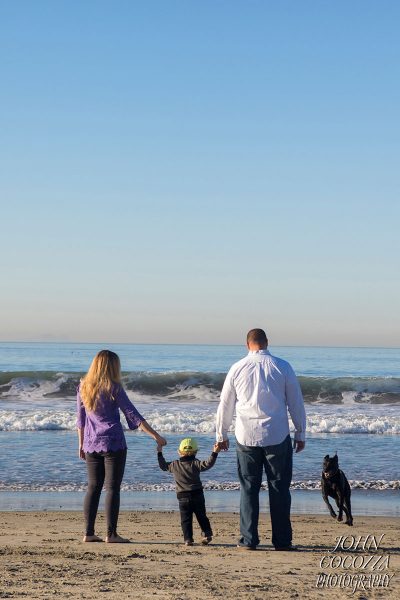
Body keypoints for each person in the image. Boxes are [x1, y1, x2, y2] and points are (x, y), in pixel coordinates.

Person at [215, 328, 306, 551]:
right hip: (277, 435)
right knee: (279, 488)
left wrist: (221, 434)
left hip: (246, 436)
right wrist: (300, 432)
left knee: (248, 488)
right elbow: (296, 402)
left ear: (248, 345)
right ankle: (282, 541)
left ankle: (248, 540)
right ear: (267, 343)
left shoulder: (237, 368)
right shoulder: (282, 366)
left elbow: (225, 404)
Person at [76, 349, 167, 543]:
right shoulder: (113, 387)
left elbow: (80, 420)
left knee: (93, 487)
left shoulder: (83, 386)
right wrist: (156, 436)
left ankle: (88, 533)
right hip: (113, 442)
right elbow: (132, 414)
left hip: (91, 443)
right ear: (112, 366)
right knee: (112, 489)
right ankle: (111, 534)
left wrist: (81, 444)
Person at [157, 437, 220, 545]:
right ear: (195, 452)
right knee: (201, 516)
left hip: (182, 496)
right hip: (197, 494)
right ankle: (207, 534)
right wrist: (214, 453)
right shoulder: (196, 463)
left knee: (185, 519)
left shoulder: (174, 464)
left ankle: (188, 539)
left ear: (179, 452)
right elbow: (208, 464)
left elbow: (163, 466)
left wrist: (159, 452)